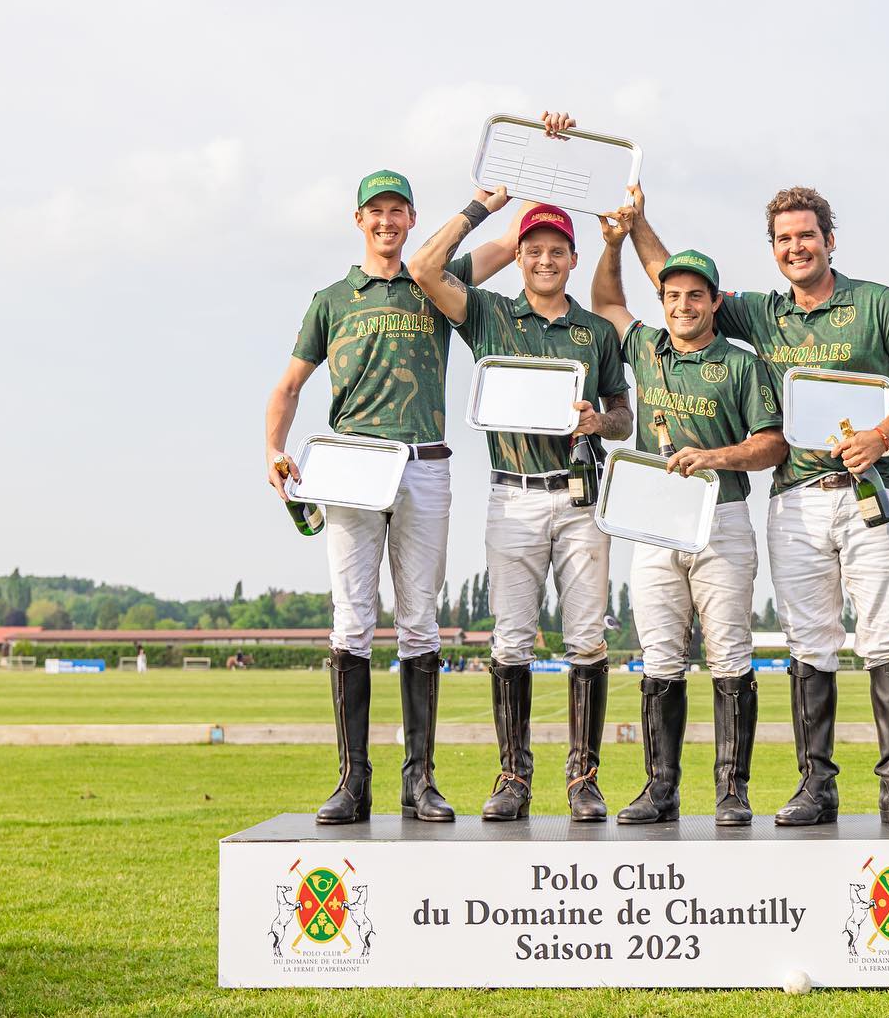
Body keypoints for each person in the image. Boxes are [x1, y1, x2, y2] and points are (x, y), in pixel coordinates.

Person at [630, 183, 889, 827]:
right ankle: (817, 787)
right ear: (773, 250)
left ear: (830, 240)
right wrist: (637, 222)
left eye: (806, 235)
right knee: (810, 643)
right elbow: (676, 284)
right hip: (797, 498)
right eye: (783, 239)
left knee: (885, 639)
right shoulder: (762, 313)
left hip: (875, 493)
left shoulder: (875, 304)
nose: (796, 247)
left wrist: (881, 435)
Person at [265, 167, 522, 824]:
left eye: (397, 211)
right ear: (359, 221)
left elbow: (515, 242)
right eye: (374, 211)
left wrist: (524, 180)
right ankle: (354, 782)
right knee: (351, 620)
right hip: (352, 466)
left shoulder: (435, 279)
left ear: (412, 219)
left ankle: (421, 780)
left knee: (419, 622)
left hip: (424, 463)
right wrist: (274, 447)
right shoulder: (332, 299)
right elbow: (289, 385)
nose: (385, 222)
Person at [410, 116, 632, 823]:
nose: (543, 260)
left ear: (571, 258)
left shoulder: (594, 332)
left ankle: (583, 778)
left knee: (588, 638)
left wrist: (602, 421)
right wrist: (487, 207)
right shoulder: (491, 316)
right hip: (512, 495)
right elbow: (424, 269)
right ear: (521, 254)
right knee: (510, 640)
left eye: (555, 250)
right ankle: (514, 775)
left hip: (578, 497)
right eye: (532, 249)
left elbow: (624, 414)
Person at [590, 205, 787, 826]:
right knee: (659, 657)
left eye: (694, 296)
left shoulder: (740, 363)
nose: (681, 306)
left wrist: (715, 456)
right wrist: (616, 243)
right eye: (672, 295)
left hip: (722, 518)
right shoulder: (646, 348)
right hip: (654, 522)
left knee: (730, 655)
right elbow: (606, 303)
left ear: (712, 301)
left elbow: (773, 442)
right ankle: (660, 789)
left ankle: (732, 790)